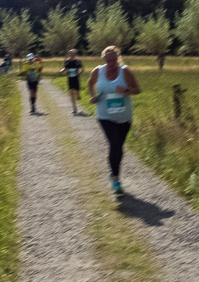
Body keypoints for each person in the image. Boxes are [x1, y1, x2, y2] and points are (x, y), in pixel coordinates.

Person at [87, 45, 141, 194]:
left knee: (119, 147)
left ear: (117, 58)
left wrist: (126, 91)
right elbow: (90, 83)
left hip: (124, 116)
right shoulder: (98, 71)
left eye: (114, 60)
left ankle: (113, 170)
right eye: (108, 60)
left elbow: (138, 89)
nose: (111, 63)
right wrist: (92, 96)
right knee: (114, 143)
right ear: (104, 59)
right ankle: (116, 181)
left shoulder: (125, 72)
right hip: (105, 115)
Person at [60, 49, 85, 114]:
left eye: (73, 54)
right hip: (70, 78)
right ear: (69, 55)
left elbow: (82, 68)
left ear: (74, 55)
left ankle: (78, 96)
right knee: (71, 92)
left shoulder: (77, 61)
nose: (71, 55)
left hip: (76, 78)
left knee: (77, 92)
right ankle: (74, 108)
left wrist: (80, 73)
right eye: (70, 54)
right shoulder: (67, 62)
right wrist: (62, 70)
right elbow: (65, 68)